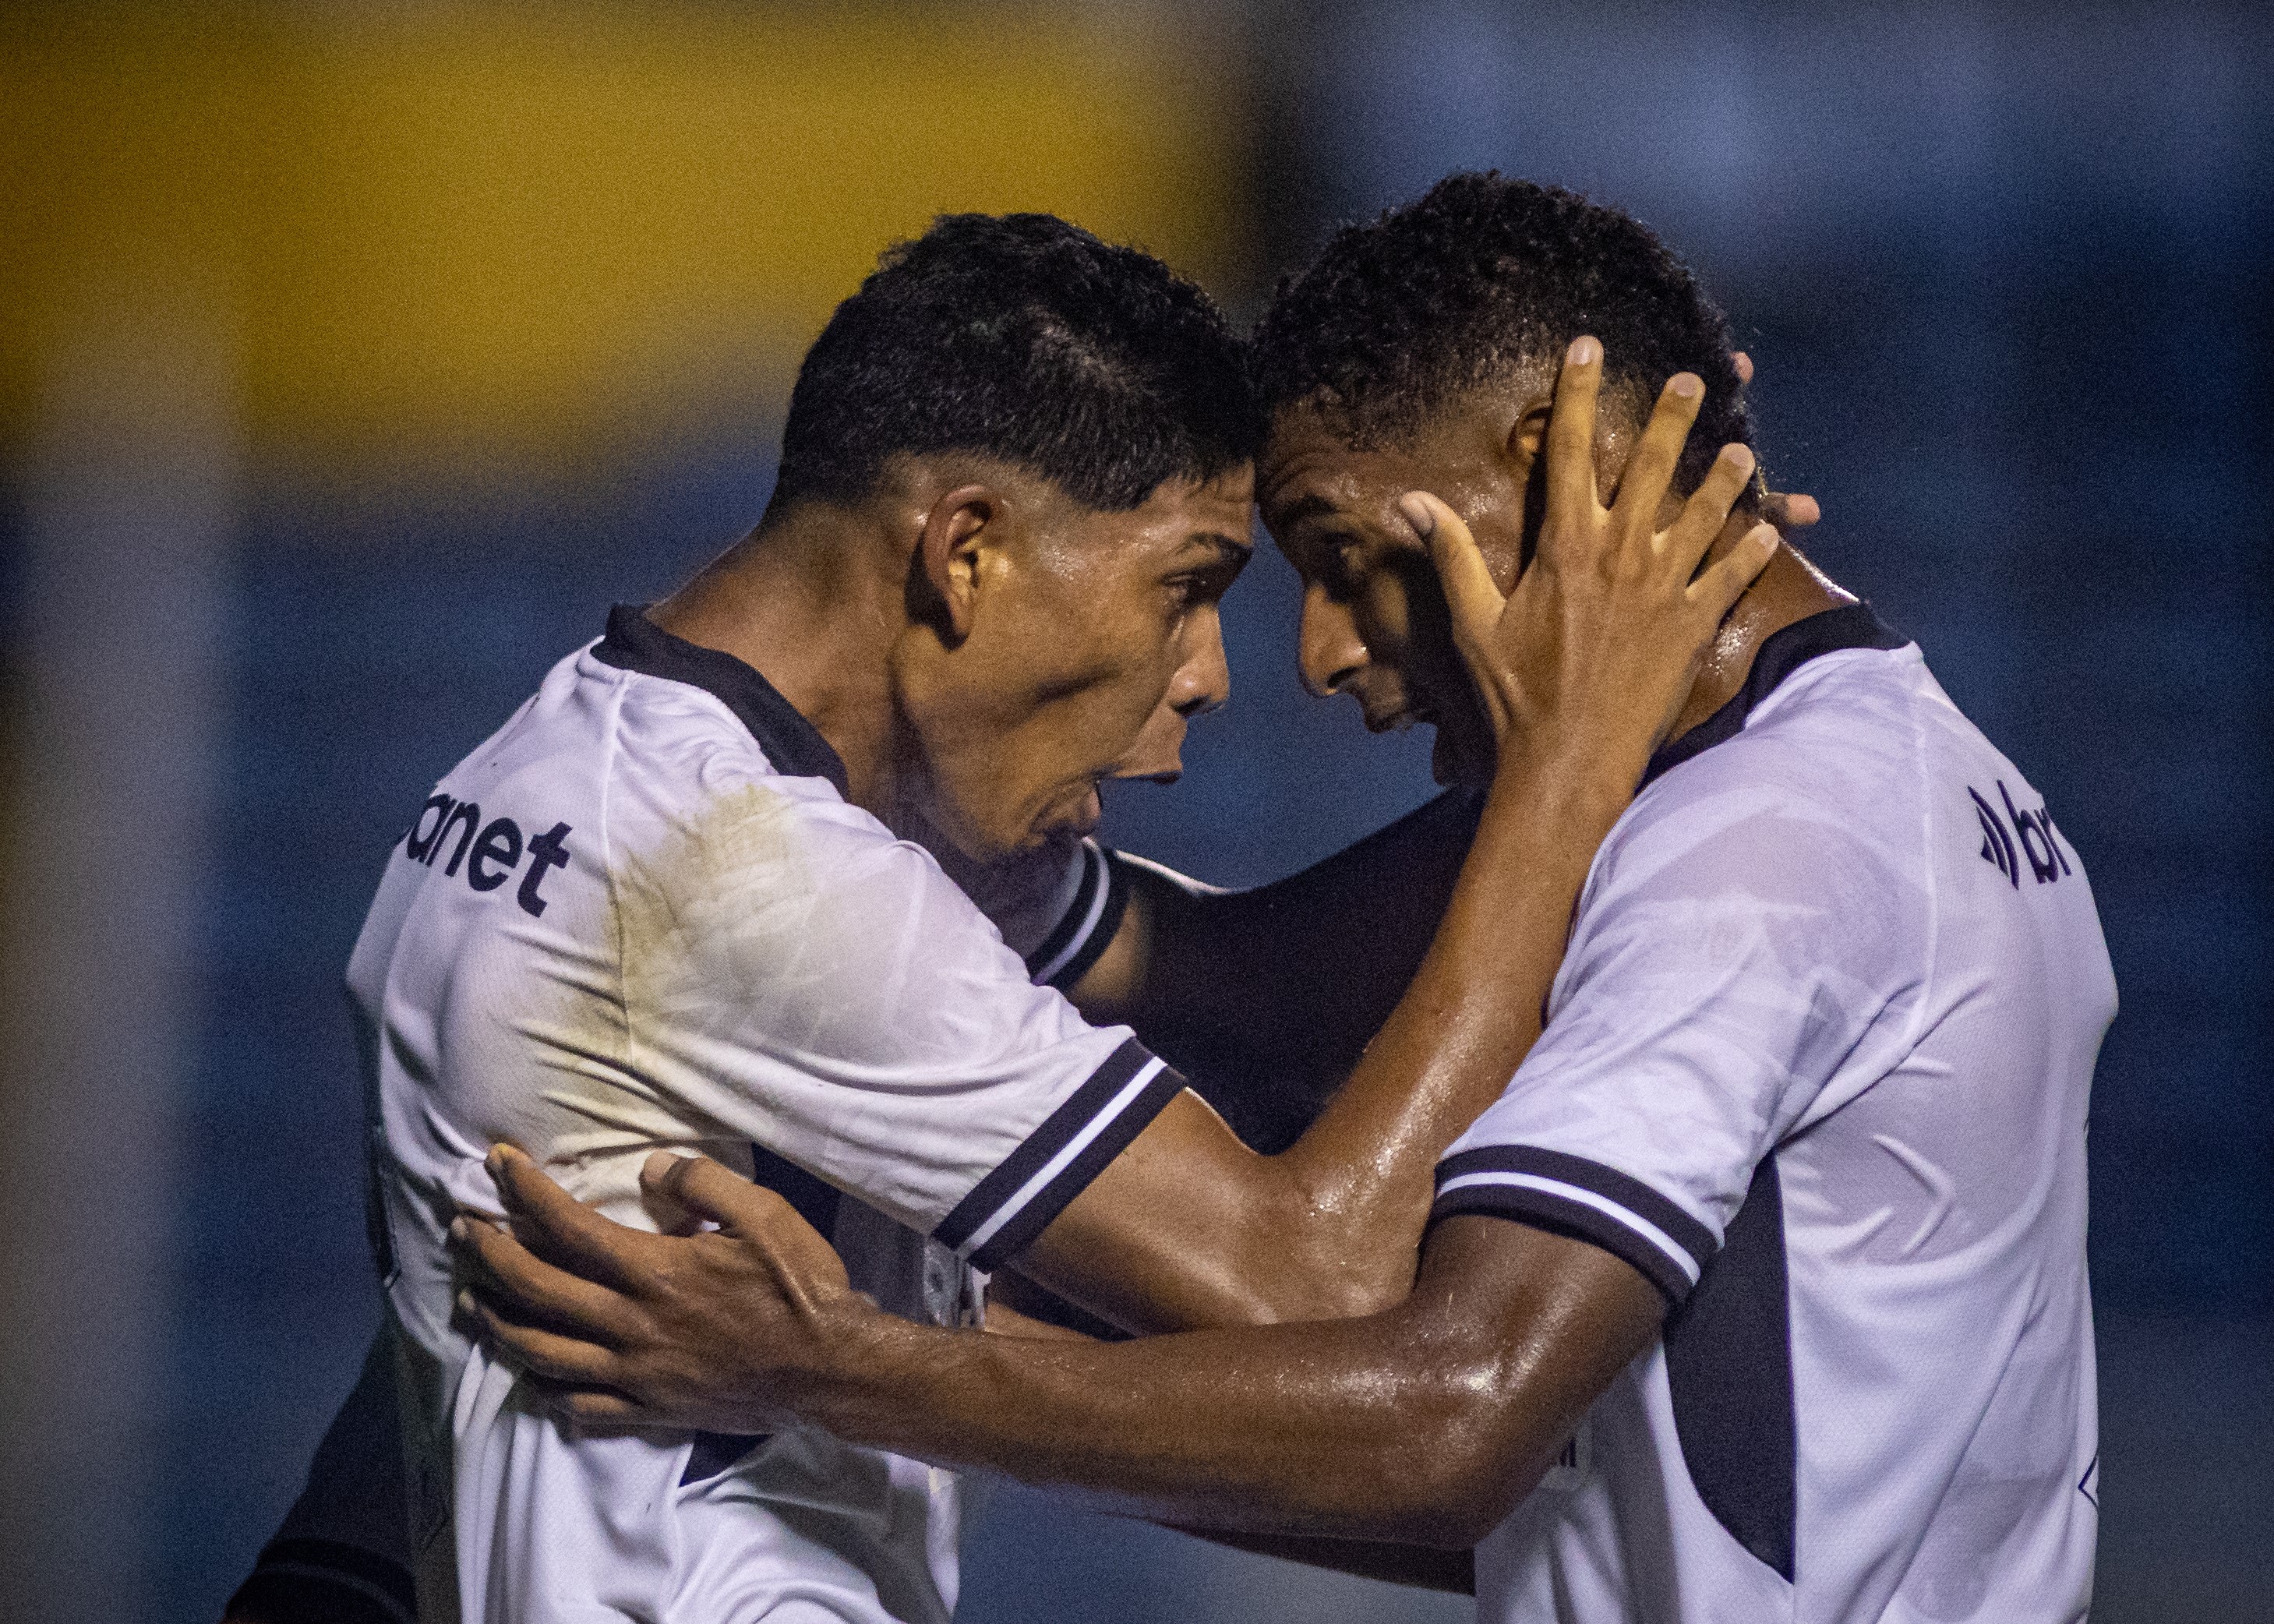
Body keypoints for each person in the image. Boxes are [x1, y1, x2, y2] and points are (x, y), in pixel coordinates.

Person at [458, 175, 2117, 1624]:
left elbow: (1441, 1424)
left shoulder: (1756, 857)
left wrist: (838, 1370)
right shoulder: (1850, 772)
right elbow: (1244, 986)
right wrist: (889, 820)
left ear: (1551, 474)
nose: (1319, 656)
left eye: (1341, 560)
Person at [231, 203, 1769, 1624]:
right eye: (1186, 585)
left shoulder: (601, 775)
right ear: (966, 550)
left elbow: (1255, 974)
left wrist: (1679, 673)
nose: (1210, 675)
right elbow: (1313, 1287)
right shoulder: (756, 879)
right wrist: (1565, 772)